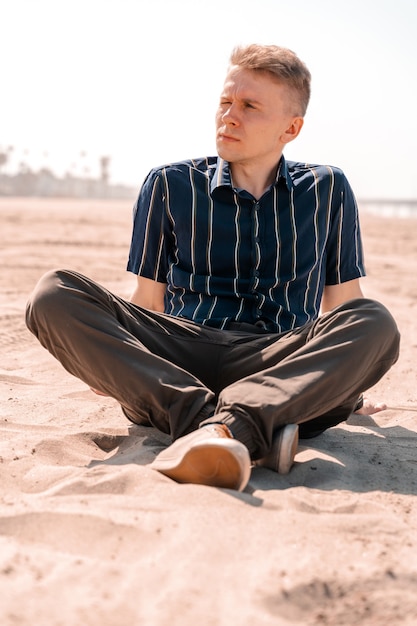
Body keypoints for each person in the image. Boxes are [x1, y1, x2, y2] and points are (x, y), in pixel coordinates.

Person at [26, 44, 400, 492]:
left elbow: (345, 305)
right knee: (54, 292)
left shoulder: (328, 188)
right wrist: (117, 361)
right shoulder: (169, 183)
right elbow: (147, 301)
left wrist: (347, 382)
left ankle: (218, 424)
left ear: (291, 127)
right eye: (225, 102)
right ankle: (230, 426)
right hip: (181, 357)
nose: (229, 116)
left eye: (248, 106)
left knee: (375, 322)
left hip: (280, 360)